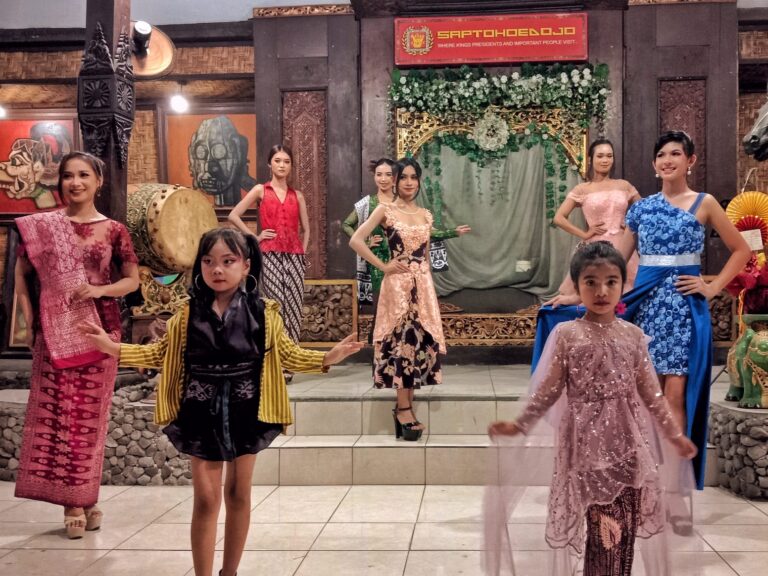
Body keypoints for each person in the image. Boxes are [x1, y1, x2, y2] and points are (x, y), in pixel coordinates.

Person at [82, 227, 363, 576]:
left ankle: (228, 572)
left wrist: (327, 358)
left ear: (246, 266)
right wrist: (113, 349)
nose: (218, 269)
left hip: (248, 408)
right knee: (205, 499)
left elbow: (288, 354)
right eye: (209, 261)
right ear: (200, 266)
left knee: (239, 494)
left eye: (228, 261)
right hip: (200, 409)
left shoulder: (264, 311)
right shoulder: (186, 314)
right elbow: (160, 353)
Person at [533, 131, 751, 490]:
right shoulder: (642, 208)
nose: (668, 160)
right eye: (662, 155)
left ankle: (672, 482)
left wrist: (711, 288)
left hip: (683, 307)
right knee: (644, 394)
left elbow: (741, 251)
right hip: (645, 304)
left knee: (676, 393)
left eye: (676, 154)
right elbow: (613, 261)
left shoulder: (705, 203)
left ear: (690, 160)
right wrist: (576, 295)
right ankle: (645, 476)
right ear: (654, 165)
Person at [486, 241, 699, 576]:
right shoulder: (567, 335)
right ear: (577, 286)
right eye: (591, 282)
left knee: (624, 529)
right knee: (603, 530)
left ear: (622, 285)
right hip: (585, 447)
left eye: (611, 281)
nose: (602, 291)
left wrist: (674, 434)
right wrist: (520, 424)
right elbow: (548, 391)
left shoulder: (632, 336)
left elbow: (651, 395)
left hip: (629, 445)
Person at [13, 151, 140, 539]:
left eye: (83, 175)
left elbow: (132, 280)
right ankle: (74, 502)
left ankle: (86, 498)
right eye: (68, 176)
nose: (75, 182)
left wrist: (100, 289)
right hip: (51, 334)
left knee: (89, 420)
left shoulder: (114, 229)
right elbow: (20, 271)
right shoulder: (43, 226)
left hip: (98, 332)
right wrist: (27, 318)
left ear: (98, 181)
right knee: (61, 416)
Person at [349, 157, 447, 440]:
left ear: (418, 180)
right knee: (400, 345)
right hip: (397, 288)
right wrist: (384, 266)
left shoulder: (426, 215)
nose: (408, 182)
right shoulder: (385, 210)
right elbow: (356, 239)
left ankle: (407, 405)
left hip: (423, 288)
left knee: (417, 345)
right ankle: (403, 408)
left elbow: (427, 255)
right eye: (403, 177)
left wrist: (427, 285)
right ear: (394, 181)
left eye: (413, 177)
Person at [342, 157, 471, 311]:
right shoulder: (374, 205)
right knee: (387, 314)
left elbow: (425, 239)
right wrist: (375, 253)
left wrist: (452, 232)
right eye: (379, 174)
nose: (383, 179)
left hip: (417, 274)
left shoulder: (416, 210)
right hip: (385, 263)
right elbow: (349, 229)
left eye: (388, 174)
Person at [228, 144, 308, 381]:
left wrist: (302, 250)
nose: (282, 165)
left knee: (293, 307)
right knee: (275, 305)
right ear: (269, 164)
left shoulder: (298, 195)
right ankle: (273, 360)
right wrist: (254, 236)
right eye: (278, 160)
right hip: (269, 254)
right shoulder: (260, 190)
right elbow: (234, 215)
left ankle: (289, 360)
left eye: (286, 161)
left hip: (294, 256)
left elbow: (307, 228)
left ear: (290, 166)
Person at [546, 138, 640, 304]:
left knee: (625, 296)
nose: (605, 160)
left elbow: (645, 212)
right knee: (595, 293)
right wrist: (584, 233)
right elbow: (559, 218)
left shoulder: (624, 185)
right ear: (591, 159)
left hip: (624, 247)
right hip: (595, 248)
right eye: (600, 156)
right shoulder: (583, 189)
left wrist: (629, 223)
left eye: (609, 156)